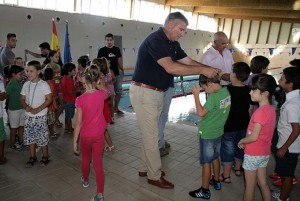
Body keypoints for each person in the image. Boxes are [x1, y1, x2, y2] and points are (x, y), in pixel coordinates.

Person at [130, 12, 220, 189]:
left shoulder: (173, 44)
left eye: (184, 31)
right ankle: (154, 175)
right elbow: (171, 67)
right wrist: (202, 70)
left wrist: (207, 68)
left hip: (156, 92)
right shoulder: (156, 40)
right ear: (170, 25)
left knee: (150, 133)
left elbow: (187, 61)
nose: (183, 33)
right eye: (181, 29)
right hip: (144, 92)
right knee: (152, 135)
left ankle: (144, 168)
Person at [189, 75, 231, 199]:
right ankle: (217, 181)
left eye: (204, 88)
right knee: (215, 157)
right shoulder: (226, 92)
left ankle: (205, 190)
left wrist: (196, 96)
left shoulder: (213, 97)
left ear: (211, 84)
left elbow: (201, 113)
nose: (204, 90)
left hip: (207, 134)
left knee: (206, 162)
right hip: (218, 132)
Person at [238, 74, 277, 201]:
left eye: (254, 90)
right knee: (263, 183)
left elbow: (254, 137)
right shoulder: (271, 109)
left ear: (265, 93)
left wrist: (242, 140)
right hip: (264, 153)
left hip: (253, 154)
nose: (250, 93)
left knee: (249, 186)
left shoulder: (259, 113)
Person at [73, 65, 108, 201]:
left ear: (83, 81)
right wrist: (99, 84)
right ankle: (100, 195)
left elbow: (78, 122)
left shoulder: (80, 99)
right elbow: (106, 91)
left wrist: (74, 141)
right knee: (98, 164)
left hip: (86, 136)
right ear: (95, 80)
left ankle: (86, 180)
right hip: (99, 135)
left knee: (86, 159)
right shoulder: (101, 95)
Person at [220, 62, 252, 183]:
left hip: (229, 126)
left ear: (233, 75)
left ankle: (226, 176)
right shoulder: (249, 90)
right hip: (243, 125)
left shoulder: (226, 90)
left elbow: (222, 110)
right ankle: (238, 169)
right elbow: (249, 109)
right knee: (240, 147)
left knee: (228, 150)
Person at [271, 67, 300, 201]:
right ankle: (284, 194)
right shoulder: (293, 99)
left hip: (289, 146)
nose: (279, 80)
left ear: (290, 84)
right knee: (283, 172)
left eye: (282, 79)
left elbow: (296, 130)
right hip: (285, 142)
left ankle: (283, 198)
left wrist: (284, 148)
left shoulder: (292, 104)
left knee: (287, 175)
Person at [20, 60, 52, 167]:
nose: (28, 73)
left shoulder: (44, 85)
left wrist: (38, 109)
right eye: (27, 71)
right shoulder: (26, 84)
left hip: (40, 116)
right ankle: (32, 156)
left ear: (38, 71)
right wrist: (26, 107)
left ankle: (45, 156)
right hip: (29, 117)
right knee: (30, 137)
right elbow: (22, 99)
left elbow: (49, 99)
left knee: (42, 137)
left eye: (31, 71)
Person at [97, 33, 124, 115]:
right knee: (108, 94)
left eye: (110, 40)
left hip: (116, 74)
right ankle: (109, 110)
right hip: (105, 75)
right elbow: (98, 63)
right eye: (107, 40)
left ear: (113, 41)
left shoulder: (117, 49)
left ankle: (116, 108)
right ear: (105, 41)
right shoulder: (101, 50)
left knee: (118, 92)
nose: (109, 42)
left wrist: (122, 69)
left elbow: (119, 60)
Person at [5, 65, 25, 149]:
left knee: (21, 126)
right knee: (14, 128)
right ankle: (12, 143)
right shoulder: (11, 83)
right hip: (13, 110)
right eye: (20, 74)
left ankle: (21, 142)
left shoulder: (19, 83)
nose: (22, 76)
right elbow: (6, 95)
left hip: (21, 108)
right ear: (13, 74)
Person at [61, 63, 76, 134]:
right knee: (69, 116)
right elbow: (70, 91)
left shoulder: (64, 78)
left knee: (67, 115)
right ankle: (70, 129)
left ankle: (67, 128)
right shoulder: (69, 80)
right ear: (69, 72)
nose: (75, 71)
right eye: (73, 70)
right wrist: (77, 90)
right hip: (69, 100)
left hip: (65, 100)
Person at [158, 85, 173, 157]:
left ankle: (161, 140)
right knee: (160, 115)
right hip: (158, 85)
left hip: (168, 84)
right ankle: (160, 145)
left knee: (164, 115)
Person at [44, 68, 58, 139]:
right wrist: (55, 96)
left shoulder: (44, 83)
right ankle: (51, 133)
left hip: (48, 105)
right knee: (50, 121)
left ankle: (51, 131)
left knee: (50, 120)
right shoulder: (50, 84)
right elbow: (51, 95)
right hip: (50, 106)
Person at [0, 79, 7, 165]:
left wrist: (2, 95)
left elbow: (3, 96)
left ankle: (1, 156)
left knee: (1, 136)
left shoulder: (0, 82)